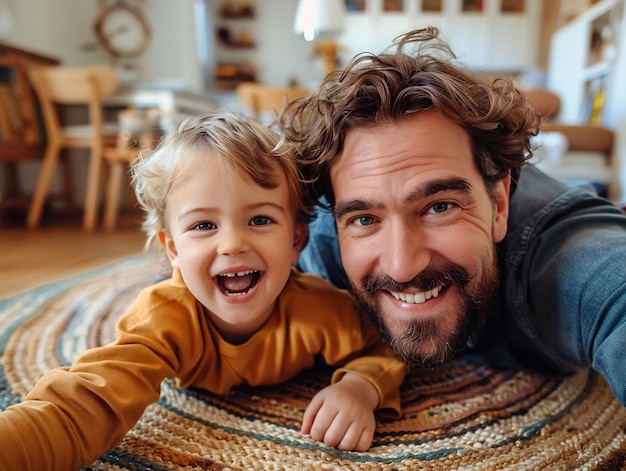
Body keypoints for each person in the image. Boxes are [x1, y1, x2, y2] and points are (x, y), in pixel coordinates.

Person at [0, 112, 405, 470]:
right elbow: (87, 404)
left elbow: (381, 347)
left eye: (260, 219)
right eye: (203, 226)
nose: (232, 244)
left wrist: (358, 387)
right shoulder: (165, 318)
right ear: (172, 249)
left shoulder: (321, 309)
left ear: (296, 239)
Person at [278, 27, 626, 406]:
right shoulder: (323, 243)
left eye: (439, 207)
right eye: (365, 219)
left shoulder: (564, 256)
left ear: (499, 203)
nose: (401, 267)